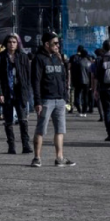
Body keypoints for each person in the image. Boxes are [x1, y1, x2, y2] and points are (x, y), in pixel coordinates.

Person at [30, 32, 76, 168]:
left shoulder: (58, 58)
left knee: (60, 130)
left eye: (58, 43)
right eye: (55, 43)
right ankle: (37, 158)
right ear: (46, 44)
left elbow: (63, 78)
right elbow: (36, 81)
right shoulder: (39, 59)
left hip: (59, 100)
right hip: (46, 100)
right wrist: (37, 101)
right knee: (40, 129)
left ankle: (59, 158)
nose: (58, 45)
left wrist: (65, 97)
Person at [0, 34, 32, 155]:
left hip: (20, 92)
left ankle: (26, 145)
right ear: (6, 43)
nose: (12, 44)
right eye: (9, 42)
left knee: (23, 119)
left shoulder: (23, 57)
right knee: (8, 121)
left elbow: (28, 75)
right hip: (6, 92)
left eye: (14, 42)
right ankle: (11, 145)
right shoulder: (0, 57)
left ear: (17, 43)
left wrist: (27, 90)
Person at [69, 46, 93, 118]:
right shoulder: (89, 63)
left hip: (79, 81)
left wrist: (73, 81)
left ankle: (79, 110)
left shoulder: (77, 62)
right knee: (85, 97)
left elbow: (75, 72)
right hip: (87, 82)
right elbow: (91, 74)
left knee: (77, 96)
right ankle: (84, 111)